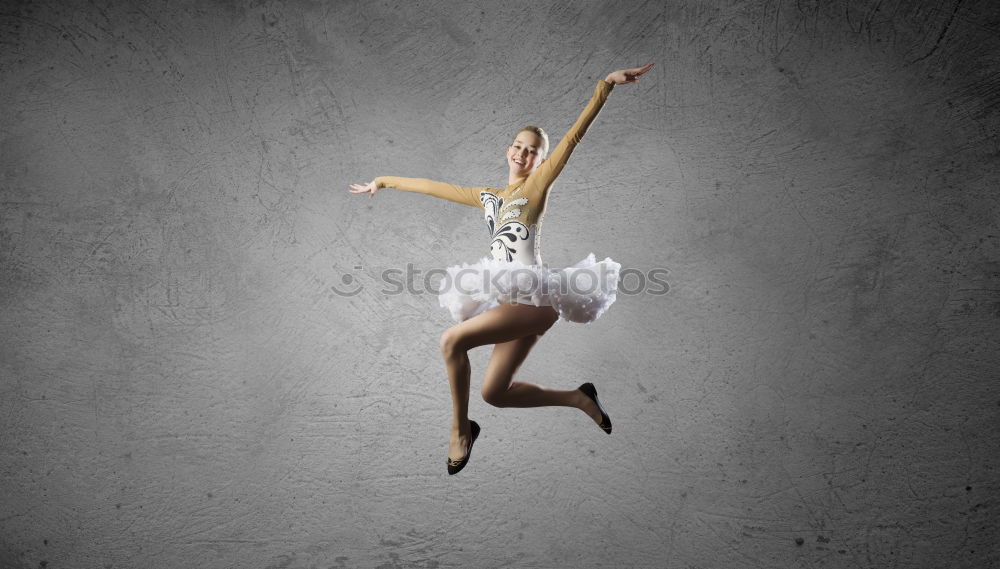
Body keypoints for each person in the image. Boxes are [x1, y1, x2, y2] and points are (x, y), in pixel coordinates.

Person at [350, 63, 653, 474]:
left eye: (532, 151)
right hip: (514, 303)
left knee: (451, 341)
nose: (523, 153)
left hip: (537, 299)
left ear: (539, 161)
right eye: (518, 146)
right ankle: (579, 398)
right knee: (495, 392)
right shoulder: (488, 197)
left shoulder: (536, 185)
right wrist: (382, 180)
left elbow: (573, 137)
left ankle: (460, 430)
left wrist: (606, 87)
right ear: (508, 149)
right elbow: (432, 186)